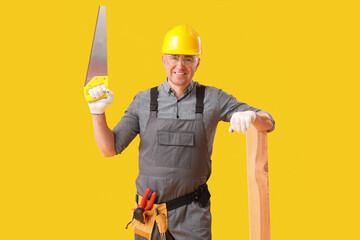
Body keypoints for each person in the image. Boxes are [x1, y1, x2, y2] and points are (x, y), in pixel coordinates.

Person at [86, 25, 275, 240]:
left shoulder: (212, 99)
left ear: (198, 62)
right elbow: (109, 148)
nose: (180, 65)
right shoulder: (143, 101)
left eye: (188, 58)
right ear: (164, 60)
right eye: (174, 57)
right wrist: (97, 111)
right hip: (148, 216)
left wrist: (253, 117)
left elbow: (269, 121)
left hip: (192, 218)